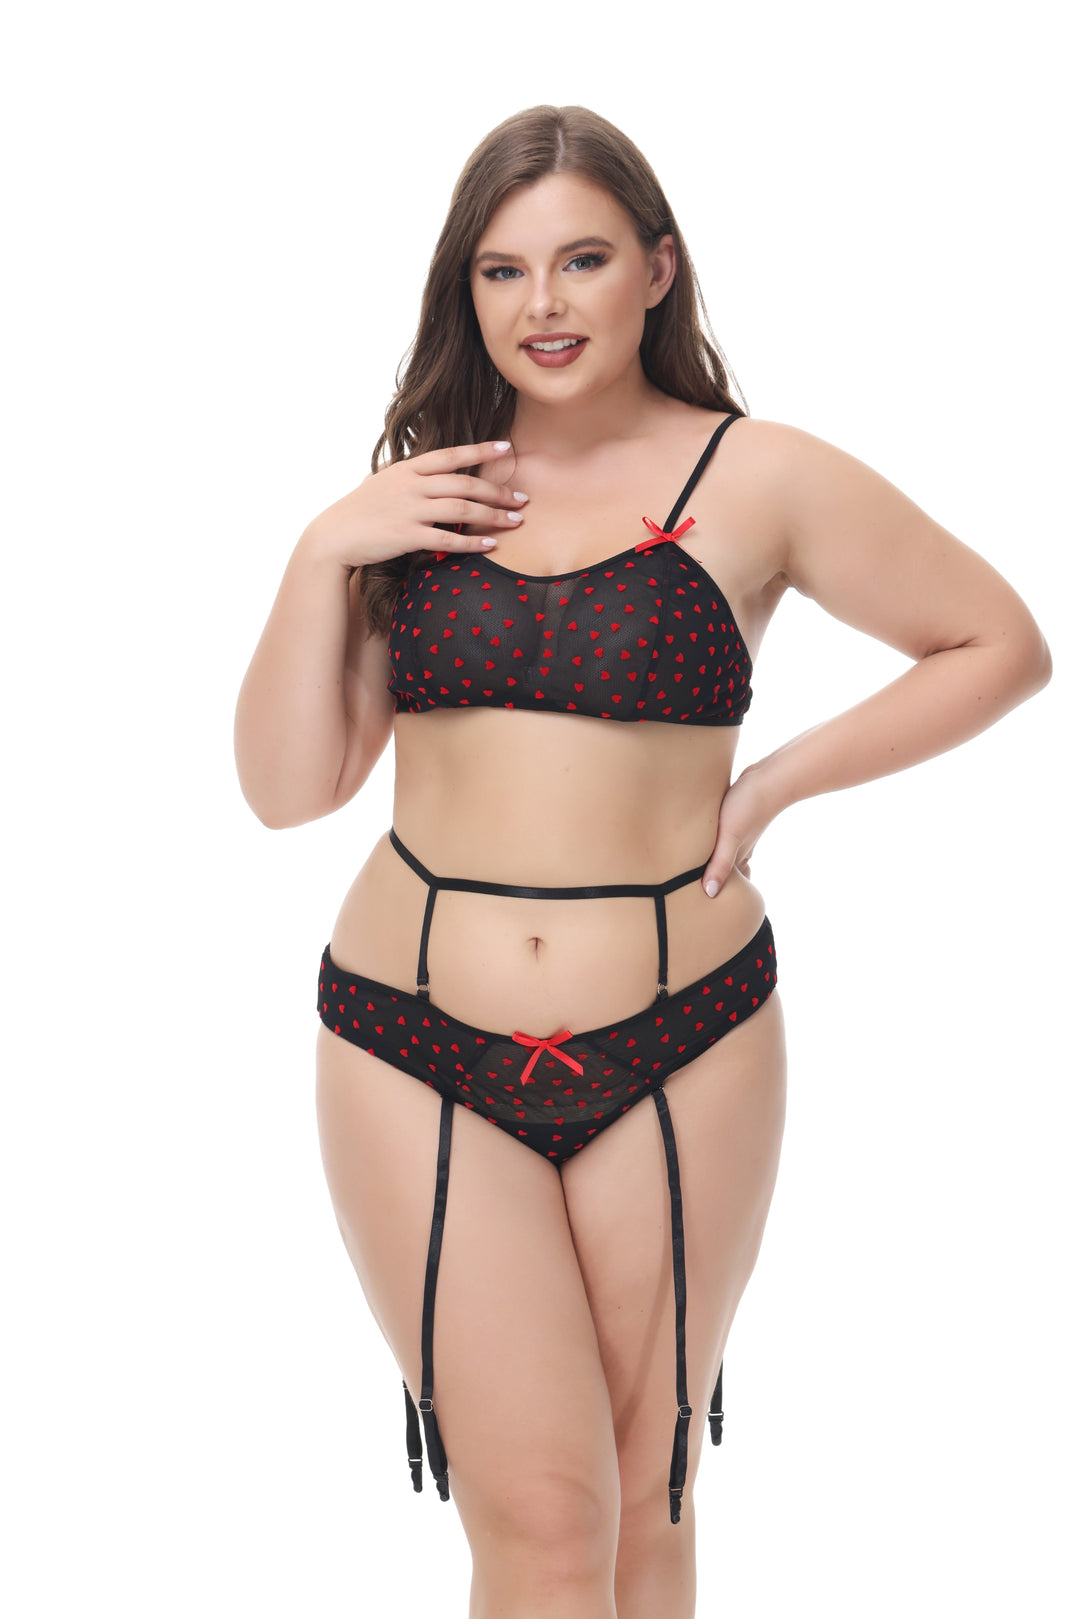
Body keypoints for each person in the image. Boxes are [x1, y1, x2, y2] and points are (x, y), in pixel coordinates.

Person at [233, 104, 1052, 1619]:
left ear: (658, 270)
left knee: (645, 1510)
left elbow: (998, 642)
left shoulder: (761, 476)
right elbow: (289, 792)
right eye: (501, 270)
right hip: (412, 1039)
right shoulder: (422, 494)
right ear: (465, 290)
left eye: (584, 260)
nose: (542, 304)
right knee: (545, 1522)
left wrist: (776, 786)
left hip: (687, 1039)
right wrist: (323, 548)